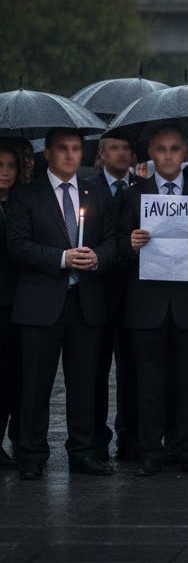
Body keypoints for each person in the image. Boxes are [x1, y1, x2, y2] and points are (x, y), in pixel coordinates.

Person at [7, 128, 118, 479]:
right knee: (35, 384)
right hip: (40, 303)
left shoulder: (97, 194)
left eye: (76, 149)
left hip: (85, 303)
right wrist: (62, 258)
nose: (71, 155)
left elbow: (114, 241)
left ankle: (82, 451)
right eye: (63, 149)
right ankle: (31, 454)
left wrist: (97, 257)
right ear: (48, 155)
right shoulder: (27, 196)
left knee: (84, 383)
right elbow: (19, 246)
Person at [119, 124, 188, 477]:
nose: (167, 155)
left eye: (174, 149)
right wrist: (129, 244)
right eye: (160, 149)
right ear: (151, 152)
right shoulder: (134, 195)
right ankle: (151, 449)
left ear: (185, 154)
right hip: (147, 303)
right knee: (149, 382)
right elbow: (114, 244)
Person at [85, 132, 139, 462]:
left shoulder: (144, 190)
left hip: (134, 291)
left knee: (133, 370)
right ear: (102, 153)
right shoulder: (87, 188)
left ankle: (130, 437)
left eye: (126, 147)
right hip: (98, 292)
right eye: (114, 148)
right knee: (94, 370)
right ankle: (95, 438)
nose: (121, 153)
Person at [0, 141, 25, 469]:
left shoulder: (23, 203)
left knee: (13, 375)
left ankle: (17, 436)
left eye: (10, 166)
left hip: (17, 301)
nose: (4, 172)